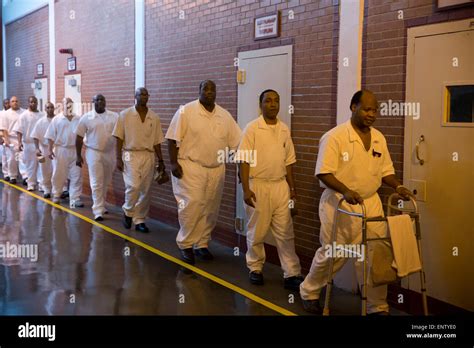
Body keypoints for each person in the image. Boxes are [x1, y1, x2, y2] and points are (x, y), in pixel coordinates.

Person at [299, 90, 414, 315]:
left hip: (370, 203)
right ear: (353, 107)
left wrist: (398, 186)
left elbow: (385, 171)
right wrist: (345, 190)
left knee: (375, 254)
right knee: (335, 253)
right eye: (367, 109)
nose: (372, 114)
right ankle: (309, 291)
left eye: (375, 110)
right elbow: (323, 173)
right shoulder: (334, 137)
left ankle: (376, 306)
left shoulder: (379, 138)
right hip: (339, 204)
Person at [165, 80, 241, 265]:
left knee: (210, 208)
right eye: (205, 89)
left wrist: (242, 168)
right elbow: (171, 138)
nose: (209, 92)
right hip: (191, 167)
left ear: (216, 92)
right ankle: (186, 245)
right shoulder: (186, 111)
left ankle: (202, 244)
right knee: (193, 206)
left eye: (212, 89)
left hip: (216, 169)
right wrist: (173, 163)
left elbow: (238, 143)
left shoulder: (224, 115)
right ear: (198, 90)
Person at [237, 89, 303, 290]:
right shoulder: (252, 128)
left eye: (276, 101)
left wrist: (292, 189)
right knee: (257, 231)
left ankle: (291, 273)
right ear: (261, 105)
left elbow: (289, 162)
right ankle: (255, 268)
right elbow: (243, 160)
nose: (272, 104)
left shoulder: (284, 129)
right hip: (258, 186)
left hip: (280, 186)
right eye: (268, 101)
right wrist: (246, 190)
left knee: (285, 232)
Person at [112, 87, 167, 233]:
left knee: (145, 189)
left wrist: (161, 161)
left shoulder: (154, 117)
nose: (143, 96)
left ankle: (140, 220)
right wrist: (118, 158)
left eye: (145, 94)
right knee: (133, 186)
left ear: (148, 97)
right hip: (130, 153)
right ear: (134, 96)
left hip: (148, 155)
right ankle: (128, 212)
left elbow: (157, 141)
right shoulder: (124, 115)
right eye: (140, 94)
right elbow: (118, 137)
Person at [75, 94, 118, 221]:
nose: (100, 102)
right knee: (96, 182)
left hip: (110, 153)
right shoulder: (86, 118)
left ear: (105, 102)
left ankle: (101, 204)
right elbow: (78, 137)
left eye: (102, 99)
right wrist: (78, 155)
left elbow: (120, 134)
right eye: (97, 100)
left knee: (105, 181)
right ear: (93, 102)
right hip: (94, 152)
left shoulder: (114, 116)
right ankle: (98, 210)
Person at [44, 98, 83, 207]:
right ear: (62, 105)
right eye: (66, 104)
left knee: (77, 174)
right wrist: (50, 149)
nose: (68, 106)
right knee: (59, 173)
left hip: (75, 150)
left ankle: (75, 198)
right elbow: (50, 136)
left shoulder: (78, 119)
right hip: (60, 150)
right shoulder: (57, 119)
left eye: (70, 104)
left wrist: (80, 153)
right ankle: (56, 194)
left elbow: (81, 136)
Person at [14, 96, 44, 191]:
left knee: (41, 164)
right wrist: (19, 142)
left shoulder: (42, 115)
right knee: (30, 165)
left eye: (35, 102)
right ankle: (31, 183)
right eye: (31, 102)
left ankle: (42, 185)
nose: (33, 104)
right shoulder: (23, 115)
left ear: (37, 103)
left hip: (40, 144)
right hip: (28, 143)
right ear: (28, 103)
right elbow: (19, 130)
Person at [31, 102, 56, 198]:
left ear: (54, 108)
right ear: (45, 109)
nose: (50, 109)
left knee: (57, 170)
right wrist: (37, 148)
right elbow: (35, 136)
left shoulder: (57, 120)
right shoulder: (40, 122)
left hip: (56, 148)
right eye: (48, 107)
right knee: (45, 170)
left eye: (51, 107)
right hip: (44, 149)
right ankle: (47, 189)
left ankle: (59, 189)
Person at [0, 96, 25, 184]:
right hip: (11, 138)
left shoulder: (23, 112)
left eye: (16, 101)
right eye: (13, 101)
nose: (15, 103)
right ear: (10, 103)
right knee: (11, 159)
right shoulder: (6, 114)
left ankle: (25, 176)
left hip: (22, 139)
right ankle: (12, 176)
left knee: (22, 159)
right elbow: (4, 128)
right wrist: (6, 139)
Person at [0, 98, 11, 179]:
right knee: (4, 156)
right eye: (6, 103)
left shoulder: (12, 113)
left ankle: (12, 173)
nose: (7, 104)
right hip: (3, 137)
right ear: (3, 104)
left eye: (8, 103)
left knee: (12, 158)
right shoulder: (1, 113)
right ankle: (6, 174)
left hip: (12, 138)